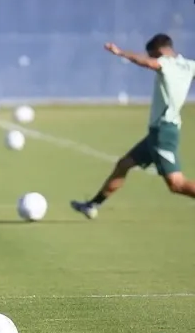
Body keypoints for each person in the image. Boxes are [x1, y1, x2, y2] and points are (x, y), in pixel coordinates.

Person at [71, 34, 195, 219]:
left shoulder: (165, 63)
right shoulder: (189, 65)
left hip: (163, 133)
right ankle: (92, 205)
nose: (153, 59)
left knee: (176, 184)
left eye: (153, 55)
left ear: (159, 52)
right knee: (124, 164)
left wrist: (120, 52)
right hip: (159, 132)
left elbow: (147, 63)